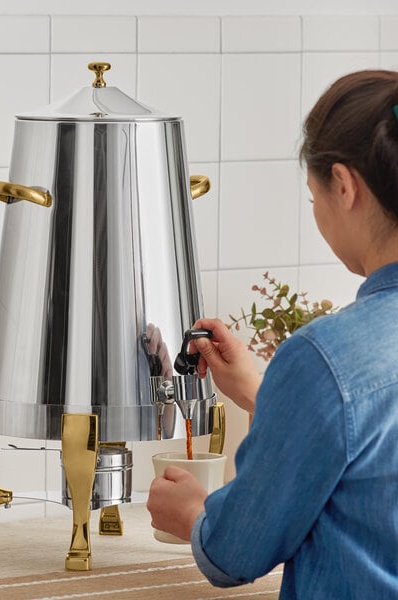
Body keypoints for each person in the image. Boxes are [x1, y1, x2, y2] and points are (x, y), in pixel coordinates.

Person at [147, 69, 398, 599]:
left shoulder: (325, 359)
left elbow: (237, 553)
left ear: (345, 185)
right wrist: (270, 395)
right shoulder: (327, 369)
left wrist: (194, 514)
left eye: (314, 197)